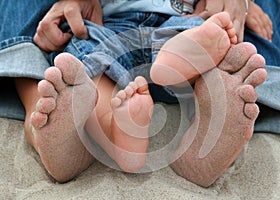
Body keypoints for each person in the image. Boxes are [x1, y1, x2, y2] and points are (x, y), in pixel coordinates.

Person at [32, 0, 268, 188]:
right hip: (112, 24)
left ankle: (177, 65)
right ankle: (120, 135)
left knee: (96, 65)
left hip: (171, 23)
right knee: (89, 74)